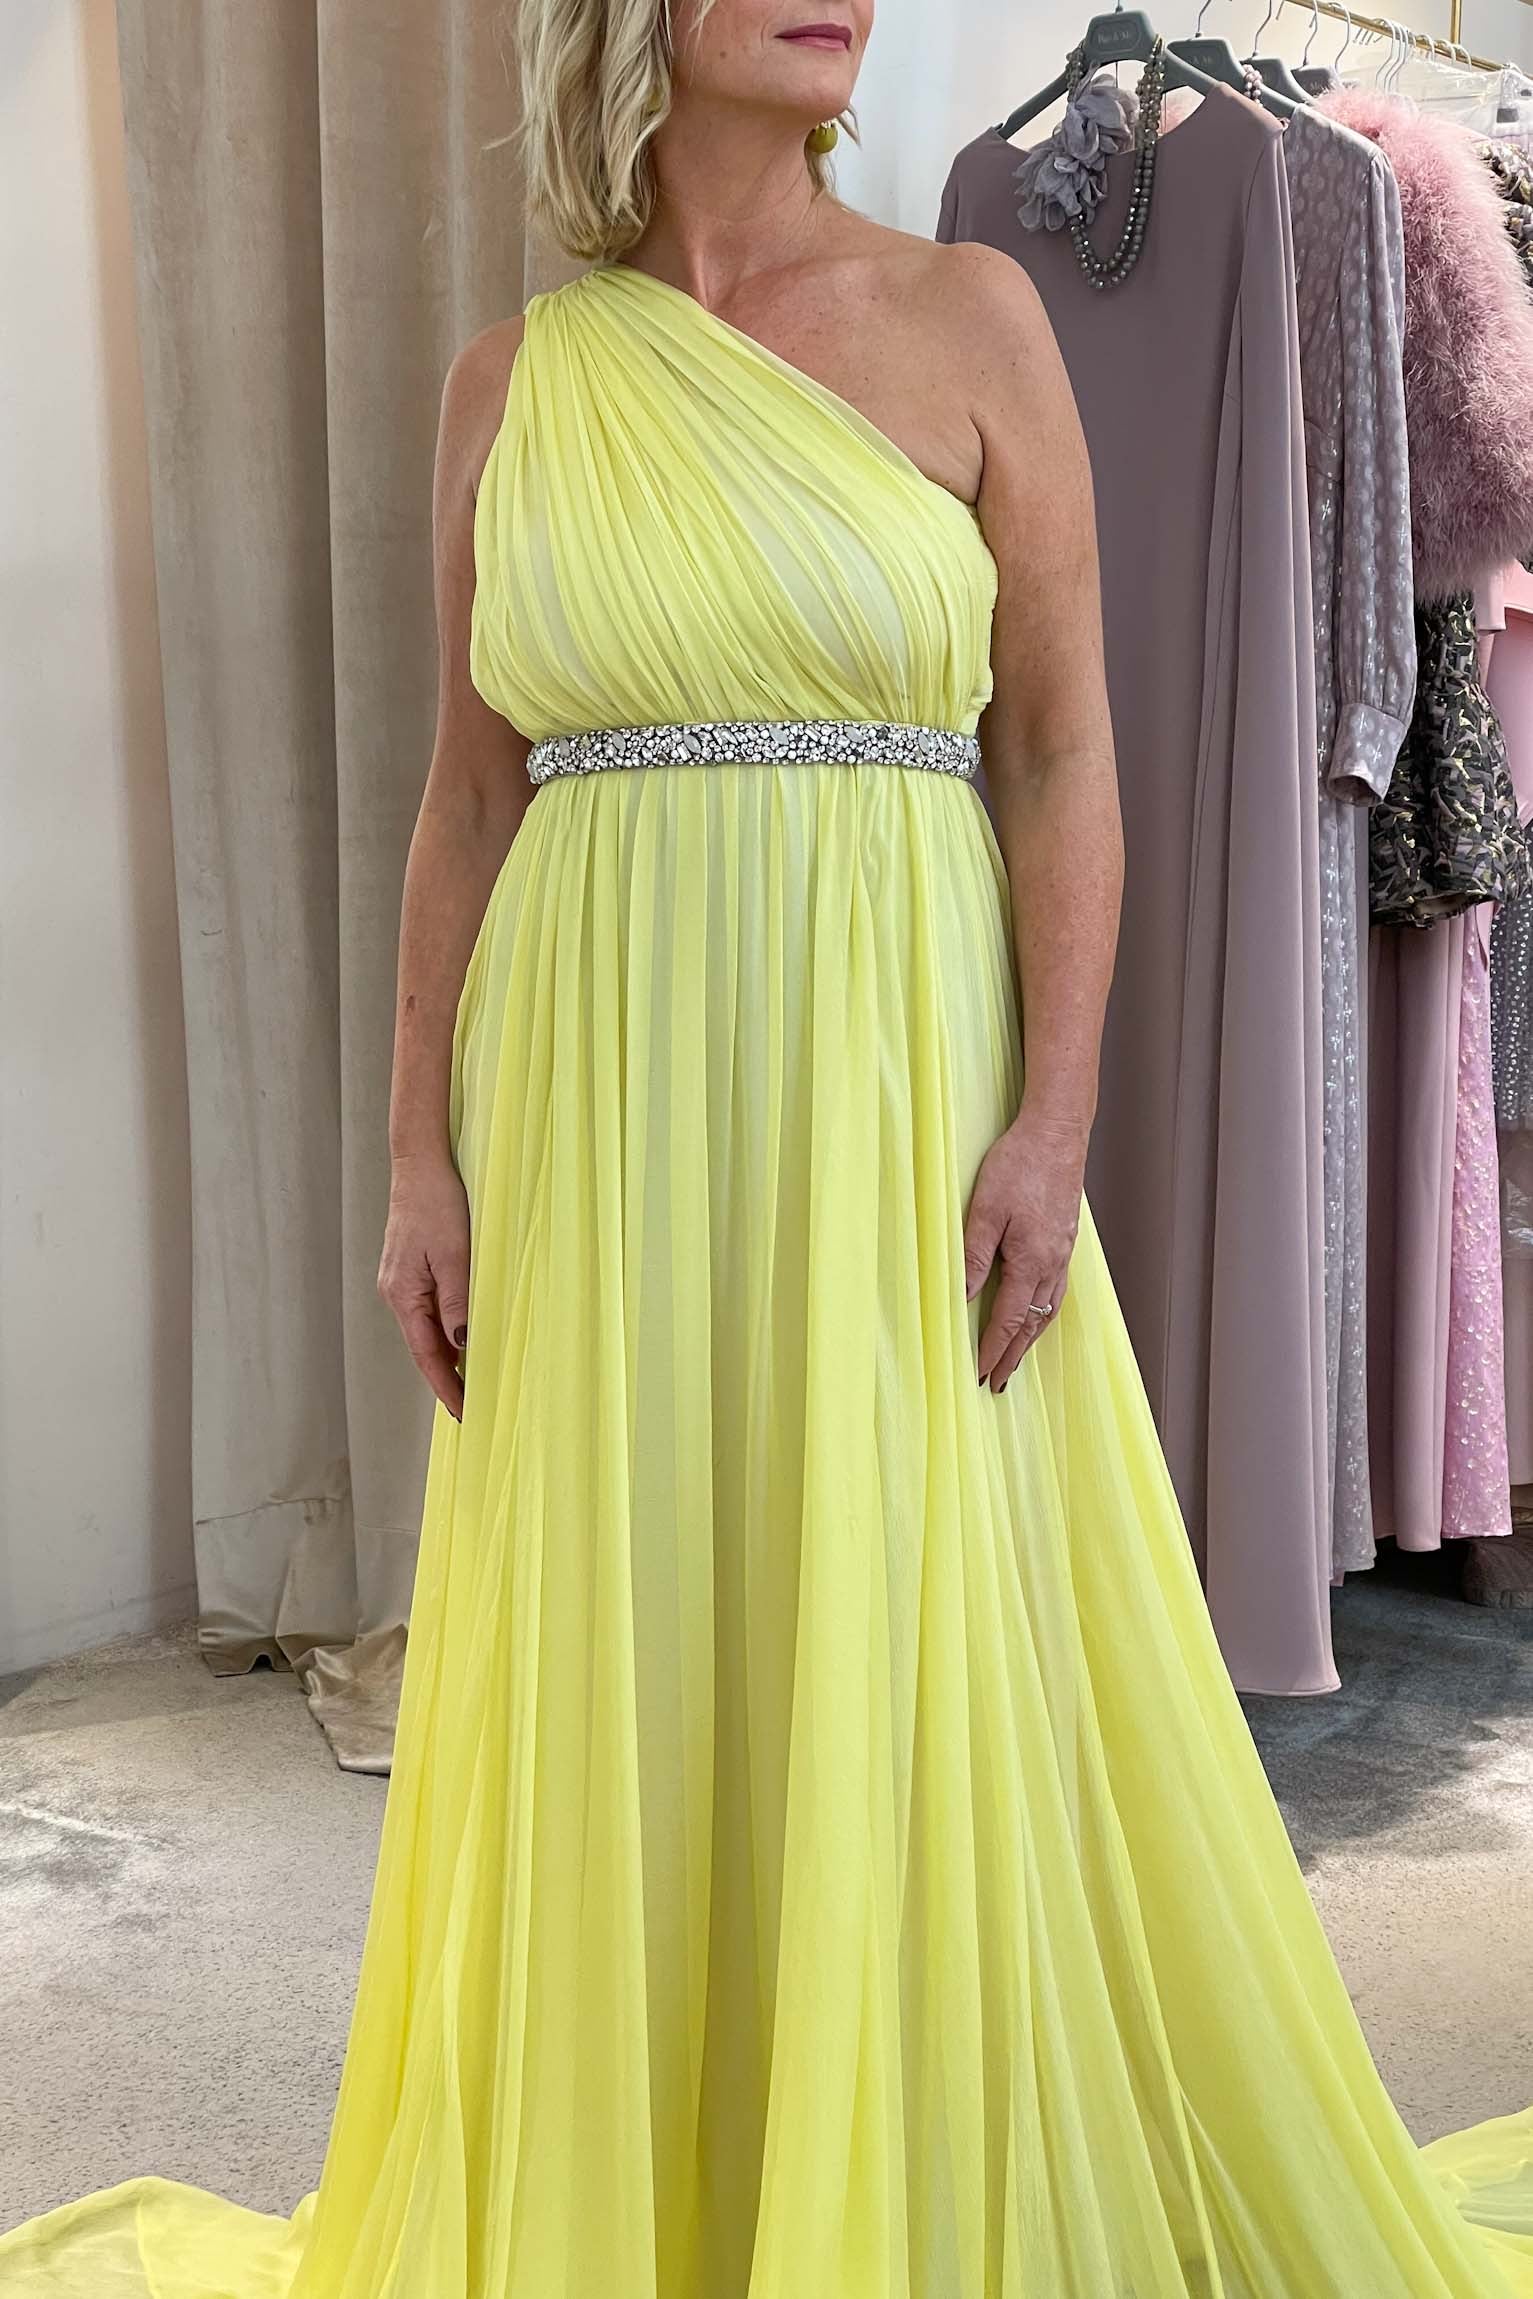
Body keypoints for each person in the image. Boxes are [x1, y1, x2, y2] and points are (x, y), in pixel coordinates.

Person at [4, 2, 1532, 2293]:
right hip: (593, 1097)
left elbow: (1060, 755)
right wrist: (413, 1158)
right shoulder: (510, 386)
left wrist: (1054, 1112)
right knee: (639, 1608)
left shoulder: (971, 314)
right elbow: (467, 794)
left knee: (887, 1598)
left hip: (890, 1083)